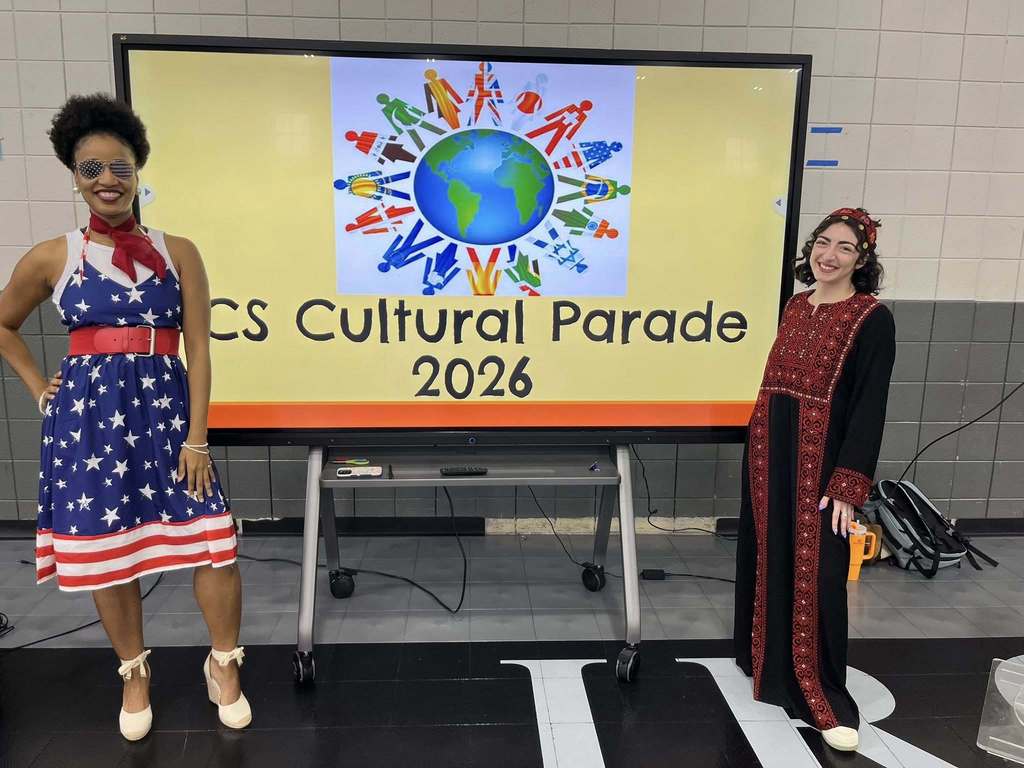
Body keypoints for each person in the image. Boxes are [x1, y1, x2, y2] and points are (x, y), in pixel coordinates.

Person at [0, 94, 251, 741]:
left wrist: (199, 437)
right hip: (88, 426)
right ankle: (133, 673)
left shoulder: (179, 250)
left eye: (119, 166)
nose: (107, 179)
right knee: (112, 558)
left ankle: (224, 665)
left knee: (214, 542)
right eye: (91, 169)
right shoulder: (53, 255)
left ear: (137, 169)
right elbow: (4, 324)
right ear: (75, 177)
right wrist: (38, 388)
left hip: (169, 417)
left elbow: (199, 347)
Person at [733, 207, 895, 753]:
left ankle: (815, 687)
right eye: (823, 243)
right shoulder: (796, 305)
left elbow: (870, 406)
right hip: (769, 451)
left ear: (863, 258)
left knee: (819, 569)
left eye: (844, 248)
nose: (828, 255)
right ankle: (767, 664)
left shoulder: (871, 317)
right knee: (770, 553)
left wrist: (850, 483)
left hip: (822, 462)